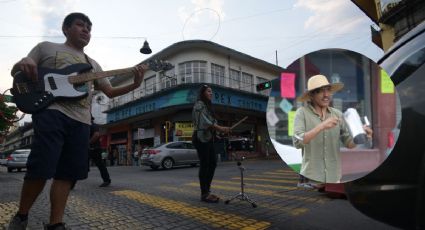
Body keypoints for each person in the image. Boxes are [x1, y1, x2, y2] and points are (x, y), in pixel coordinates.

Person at [7, 12, 147, 230]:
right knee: (40, 168)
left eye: (89, 28)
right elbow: (19, 70)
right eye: (80, 25)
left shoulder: (93, 65)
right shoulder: (46, 48)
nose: (85, 30)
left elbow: (109, 92)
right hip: (52, 112)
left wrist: (136, 84)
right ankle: (22, 216)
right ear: (65, 29)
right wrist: (22, 62)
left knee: (67, 174)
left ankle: (56, 224)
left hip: (81, 122)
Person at [292, 75, 373, 184]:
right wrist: (322, 126)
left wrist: (363, 135)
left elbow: (349, 143)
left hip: (334, 177)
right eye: (321, 91)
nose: (326, 95)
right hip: (311, 177)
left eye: (328, 90)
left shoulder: (337, 114)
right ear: (311, 95)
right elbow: (298, 142)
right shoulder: (302, 113)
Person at [192, 85, 231, 203]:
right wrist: (220, 128)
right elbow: (205, 122)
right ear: (203, 93)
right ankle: (204, 194)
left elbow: (212, 123)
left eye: (211, 92)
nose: (211, 93)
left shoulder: (208, 106)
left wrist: (219, 132)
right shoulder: (199, 105)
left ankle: (207, 191)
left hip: (208, 138)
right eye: (209, 91)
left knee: (212, 163)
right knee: (205, 164)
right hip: (200, 138)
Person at [89, 119, 111, 187]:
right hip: (90, 149)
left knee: (100, 165)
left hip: (94, 149)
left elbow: (96, 134)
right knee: (100, 165)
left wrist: (88, 143)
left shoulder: (93, 125)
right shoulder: (88, 126)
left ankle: (107, 180)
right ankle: (107, 180)